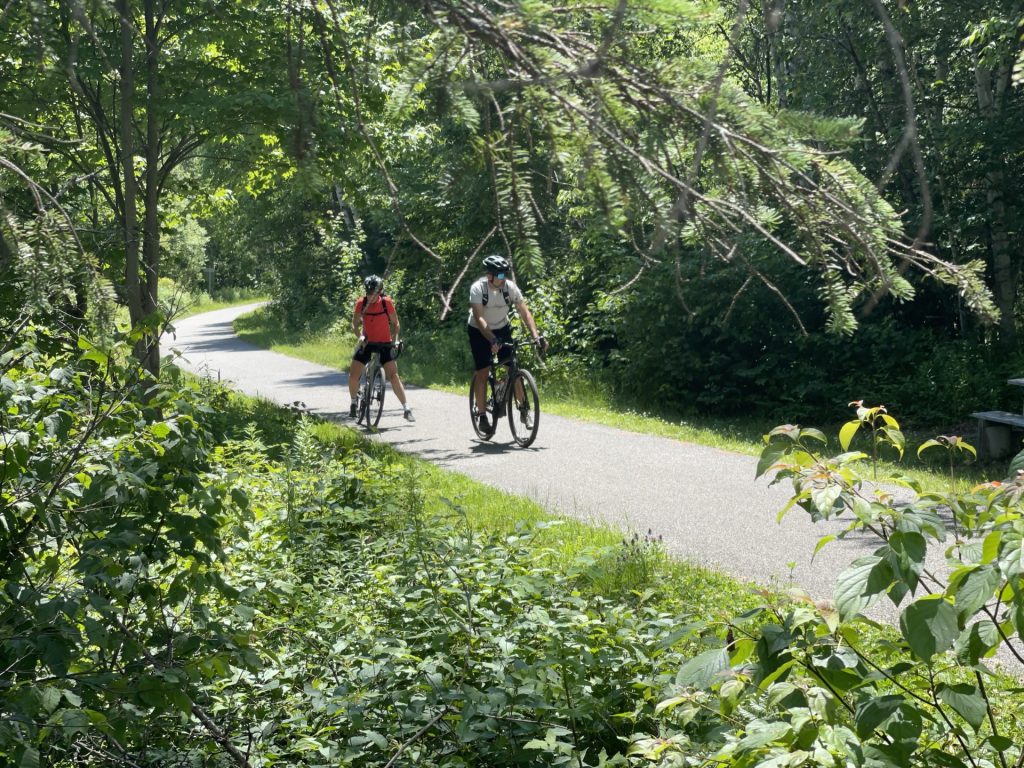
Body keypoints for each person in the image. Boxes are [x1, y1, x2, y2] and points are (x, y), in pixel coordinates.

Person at [467, 254, 546, 432]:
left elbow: (525, 312)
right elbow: (479, 318)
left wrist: (536, 336)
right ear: (490, 276)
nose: (504, 279)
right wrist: (491, 339)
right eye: (500, 275)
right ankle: (481, 415)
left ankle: (524, 410)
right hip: (479, 330)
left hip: (502, 327)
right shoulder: (478, 289)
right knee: (483, 371)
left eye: (505, 274)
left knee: (513, 369)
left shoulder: (509, 287)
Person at [348, 274, 414, 422]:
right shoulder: (361, 303)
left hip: (385, 343)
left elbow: (396, 324)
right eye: (369, 293)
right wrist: (360, 336)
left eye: (374, 293)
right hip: (367, 343)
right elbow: (354, 324)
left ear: (380, 292)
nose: (371, 296)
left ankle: (406, 408)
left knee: (393, 375)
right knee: (353, 375)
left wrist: (395, 340)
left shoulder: (386, 302)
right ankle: (353, 403)